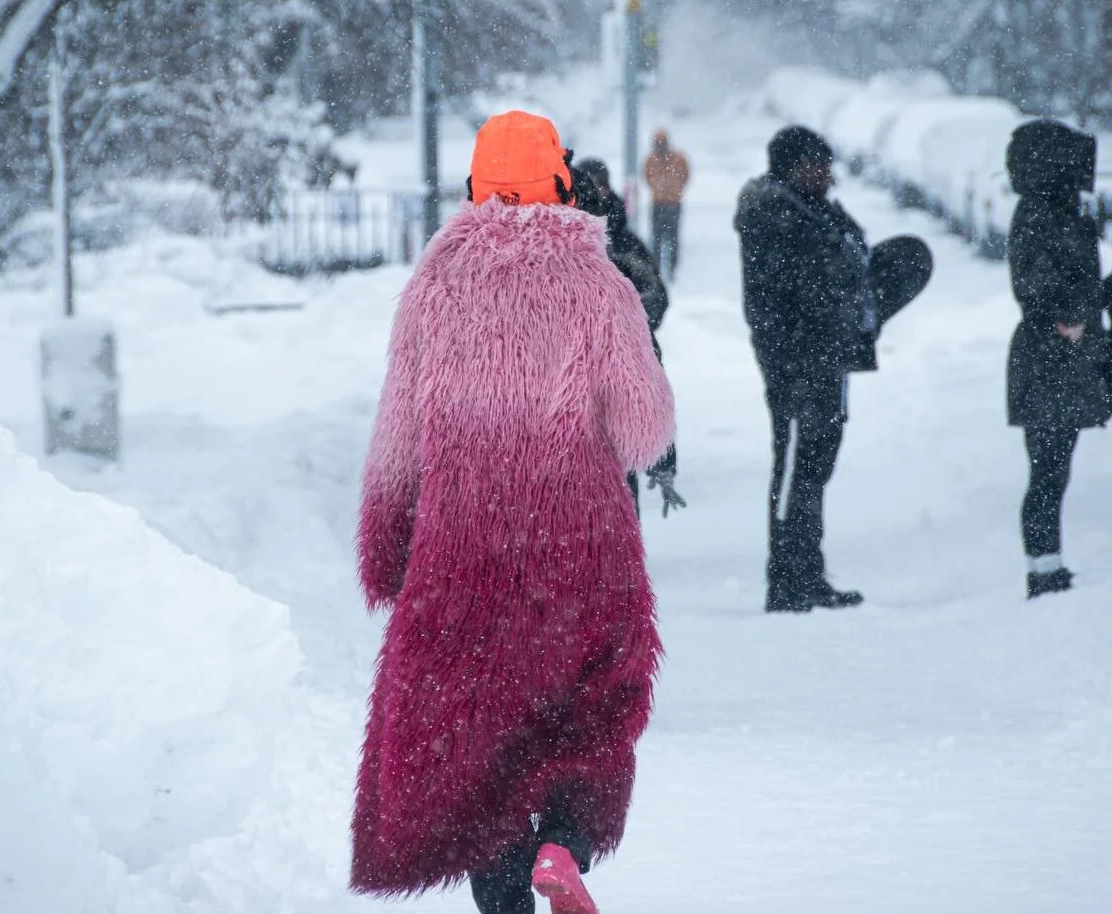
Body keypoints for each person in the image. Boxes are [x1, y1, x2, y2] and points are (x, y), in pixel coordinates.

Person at [352, 111, 675, 914]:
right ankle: (563, 841)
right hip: (581, 547)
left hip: (462, 552)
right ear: (561, 183)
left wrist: (385, 549)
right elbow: (644, 433)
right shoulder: (600, 283)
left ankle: (505, 898)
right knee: (592, 710)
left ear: (473, 184)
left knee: (478, 739)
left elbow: (398, 434)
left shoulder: (435, 282)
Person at [735, 126, 875, 613]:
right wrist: (805, 345)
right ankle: (786, 581)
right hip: (796, 367)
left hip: (825, 360)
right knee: (796, 467)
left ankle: (808, 574)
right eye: (818, 165)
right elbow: (785, 298)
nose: (827, 174)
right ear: (792, 168)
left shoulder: (813, 212)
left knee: (815, 469)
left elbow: (852, 259)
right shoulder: (775, 218)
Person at [1005, 119, 1109, 599]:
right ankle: (1044, 571)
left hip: (1058, 355)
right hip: (1051, 357)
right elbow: (1039, 282)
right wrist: (1069, 318)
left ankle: (1048, 567)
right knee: (1047, 469)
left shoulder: (1054, 209)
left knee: (1052, 469)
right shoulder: (1043, 212)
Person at [572, 157, 685, 517]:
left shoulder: (625, 245)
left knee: (619, 492)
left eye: (598, 183)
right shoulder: (568, 251)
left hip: (619, 378)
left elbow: (656, 300)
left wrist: (625, 321)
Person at [643, 129, 689, 280]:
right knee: (657, 237)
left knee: (672, 237)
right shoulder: (651, 159)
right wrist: (659, 189)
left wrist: (674, 190)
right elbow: (646, 176)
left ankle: (671, 270)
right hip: (658, 203)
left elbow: (686, 175)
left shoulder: (678, 158)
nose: (659, 147)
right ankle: (657, 268)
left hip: (672, 204)